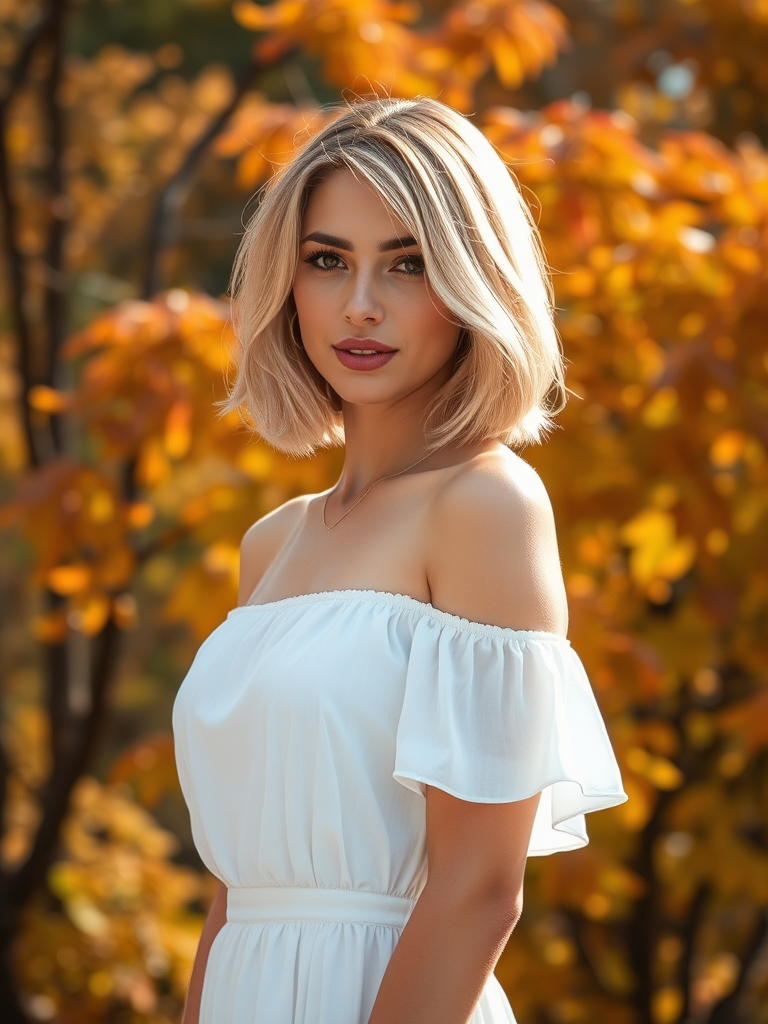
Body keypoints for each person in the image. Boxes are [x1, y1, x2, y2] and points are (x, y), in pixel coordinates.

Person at [172, 95, 627, 1024]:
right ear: (285, 283)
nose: (362, 304)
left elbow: (478, 890)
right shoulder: (273, 543)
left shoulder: (484, 507)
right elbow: (235, 889)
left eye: (409, 263)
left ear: (472, 280)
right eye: (327, 261)